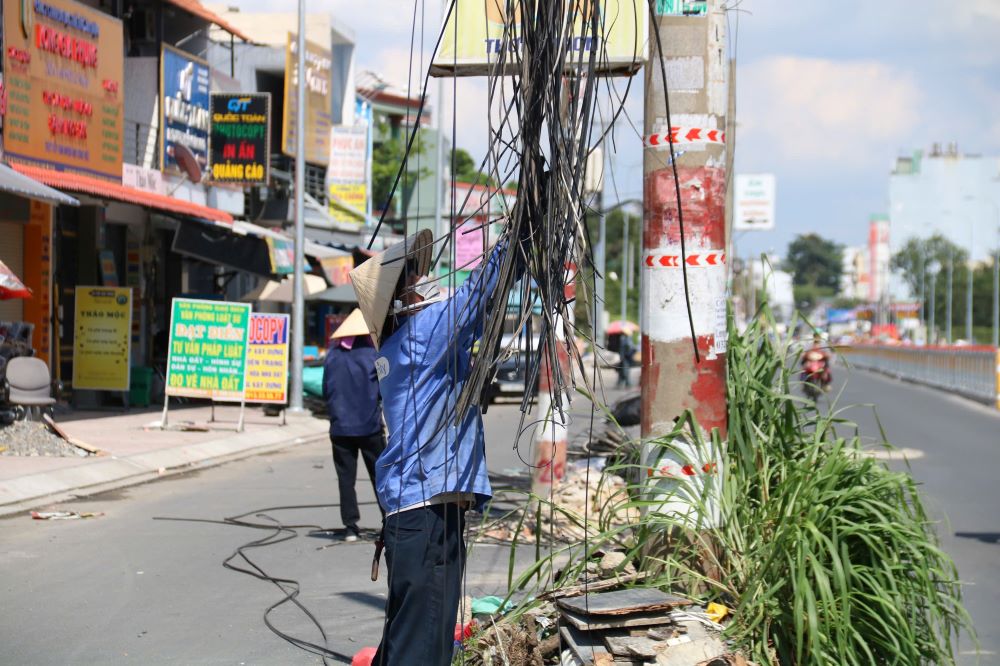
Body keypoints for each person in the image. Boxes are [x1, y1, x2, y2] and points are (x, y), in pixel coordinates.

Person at [350, 229, 519, 666]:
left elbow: (481, 311)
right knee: (423, 644)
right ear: (402, 295)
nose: (427, 278)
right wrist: (515, 234)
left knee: (417, 636)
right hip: (424, 511)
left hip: (419, 509)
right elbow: (480, 292)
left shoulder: (403, 344)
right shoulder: (423, 334)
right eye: (417, 274)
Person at [322, 308, 385, 542]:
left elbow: (325, 390)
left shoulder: (332, 356)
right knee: (381, 477)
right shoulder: (374, 356)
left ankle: (350, 527)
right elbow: (384, 391)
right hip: (369, 427)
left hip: (340, 428)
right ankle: (389, 521)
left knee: (346, 479)